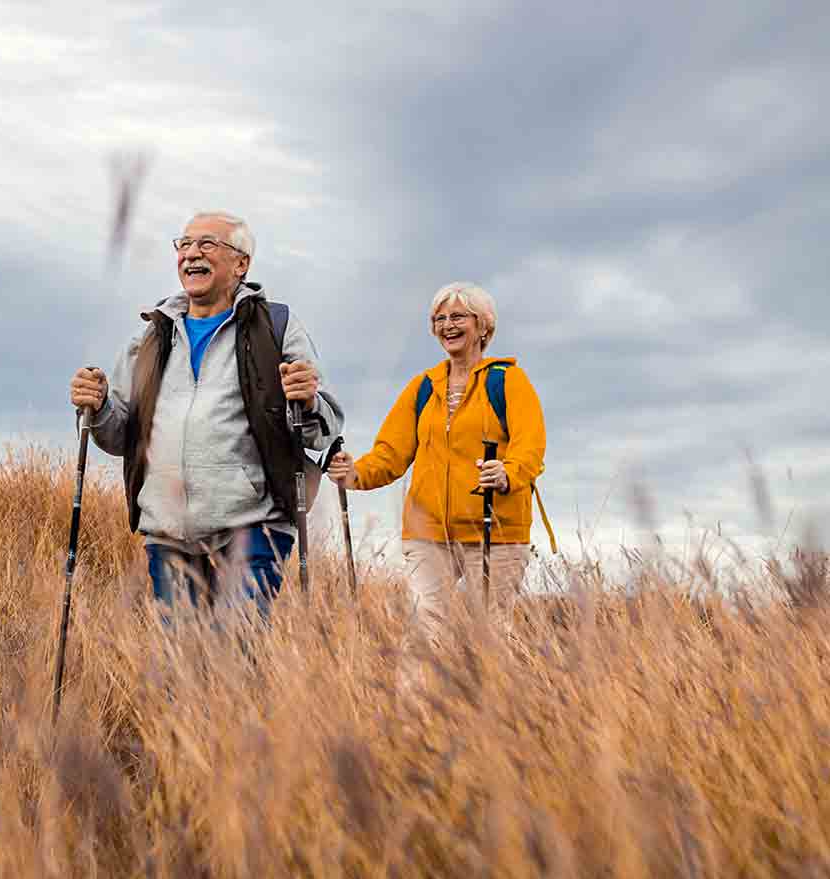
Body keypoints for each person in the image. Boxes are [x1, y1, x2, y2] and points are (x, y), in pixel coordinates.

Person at [69, 211, 343, 619]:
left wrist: (305, 400)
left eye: (207, 244)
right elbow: (117, 434)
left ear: (241, 264)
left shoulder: (275, 326)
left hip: (254, 527)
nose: (192, 254)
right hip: (168, 531)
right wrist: (99, 404)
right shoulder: (150, 335)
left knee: (233, 655)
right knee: (181, 668)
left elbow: (323, 428)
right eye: (185, 244)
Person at [327, 282, 551, 632]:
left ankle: (494, 689)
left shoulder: (509, 381)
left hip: (496, 529)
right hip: (427, 531)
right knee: (425, 630)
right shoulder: (423, 387)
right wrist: (354, 473)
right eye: (439, 318)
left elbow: (531, 445)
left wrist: (507, 473)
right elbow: (390, 453)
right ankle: (416, 691)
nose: (448, 325)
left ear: (483, 326)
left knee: (491, 632)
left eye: (459, 316)